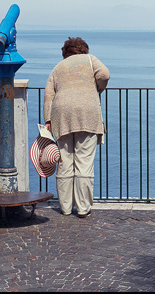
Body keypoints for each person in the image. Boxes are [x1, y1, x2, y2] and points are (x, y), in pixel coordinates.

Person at [45, 37, 110, 218]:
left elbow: (49, 93)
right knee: (84, 162)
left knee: (64, 162)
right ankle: (83, 208)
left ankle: (65, 208)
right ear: (84, 50)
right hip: (87, 114)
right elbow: (104, 74)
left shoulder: (58, 67)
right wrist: (97, 88)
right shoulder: (90, 60)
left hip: (61, 115)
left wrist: (48, 120)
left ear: (66, 52)